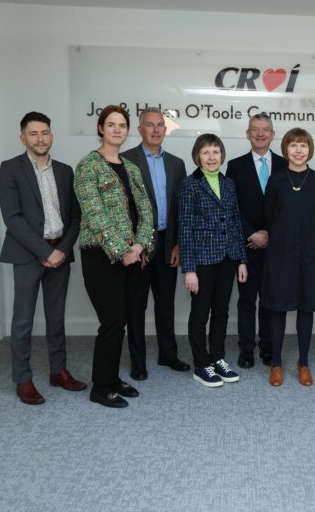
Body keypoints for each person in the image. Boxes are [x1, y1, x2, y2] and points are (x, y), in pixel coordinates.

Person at [0, 111, 86, 405]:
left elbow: (75, 216)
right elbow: (13, 218)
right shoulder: (10, 169)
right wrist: (45, 252)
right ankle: (23, 378)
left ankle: (58, 371)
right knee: (23, 320)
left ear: (51, 136)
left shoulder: (64, 171)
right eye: (33, 133)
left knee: (56, 317)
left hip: (60, 252)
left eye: (45, 132)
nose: (40, 138)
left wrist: (61, 249)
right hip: (27, 254)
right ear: (22, 138)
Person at [74, 105, 155, 408]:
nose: (117, 130)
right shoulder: (88, 167)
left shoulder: (131, 167)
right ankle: (100, 387)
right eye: (111, 125)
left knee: (122, 319)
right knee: (111, 321)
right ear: (100, 128)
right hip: (101, 255)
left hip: (134, 256)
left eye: (122, 125)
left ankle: (111, 378)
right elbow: (95, 215)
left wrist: (139, 246)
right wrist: (122, 251)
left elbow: (146, 210)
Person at [122, 107, 189, 381]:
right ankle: (138, 361)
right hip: (138, 245)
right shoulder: (126, 160)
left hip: (167, 242)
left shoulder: (176, 163)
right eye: (150, 125)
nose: (156, 129)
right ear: (139, 130)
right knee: (136, 306)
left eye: (160, 125)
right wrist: (135, 245)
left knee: (165, 303)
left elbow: (181, 209)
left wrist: (178, 244)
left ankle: (168, 354)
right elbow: (123, 209)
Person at [179, 134, 248, 388]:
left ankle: (218, 358)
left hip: (229, 257)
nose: (211, 157)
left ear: (222, 155)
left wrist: (241, 259)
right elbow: (184, 228)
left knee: (221, 311)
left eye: (216, 152)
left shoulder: (228, 183)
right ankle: (201, 364)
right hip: (203, 260)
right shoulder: (190, 184)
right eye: (206, 152)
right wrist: (189, 269)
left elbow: (236, 222)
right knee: (200, 313)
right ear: (197, 156)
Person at [261, 128, 315, 387]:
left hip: (310, 253)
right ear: (285, 149)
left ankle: (304, 362)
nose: (298, 151)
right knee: (277, 308)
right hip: (280, 253)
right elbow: (270, 216)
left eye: (303, 146)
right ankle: (276, 362)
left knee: (305, 306)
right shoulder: (276, 180)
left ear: (310, 149)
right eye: (293, 146)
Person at [226, 113, 287, 369]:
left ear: (273, 135)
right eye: (255, 129)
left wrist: (271, 235)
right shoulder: (235, 165)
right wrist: (252, 233)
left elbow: (289, 208)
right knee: (247, 300)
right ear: (247, 133)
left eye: (265, 130)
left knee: (271, 300)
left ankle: (268, 347)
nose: (260, 134)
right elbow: (232, 206)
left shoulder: (286, 165)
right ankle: (246, 349)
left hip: (277, 246)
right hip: (247, 245)